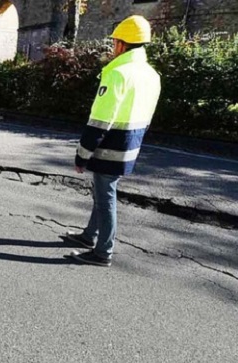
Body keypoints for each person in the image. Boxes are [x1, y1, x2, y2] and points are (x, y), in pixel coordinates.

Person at [64, 15, 161, 267]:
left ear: (121, 44)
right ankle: (88, 236)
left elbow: (100, 120)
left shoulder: (118, 73)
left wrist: (82, 154)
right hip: (131, 144)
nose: (113, 46)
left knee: (105, 197)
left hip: (110, 146)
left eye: (115, 41)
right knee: (101, 192)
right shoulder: (151, 75)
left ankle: (103, 251)